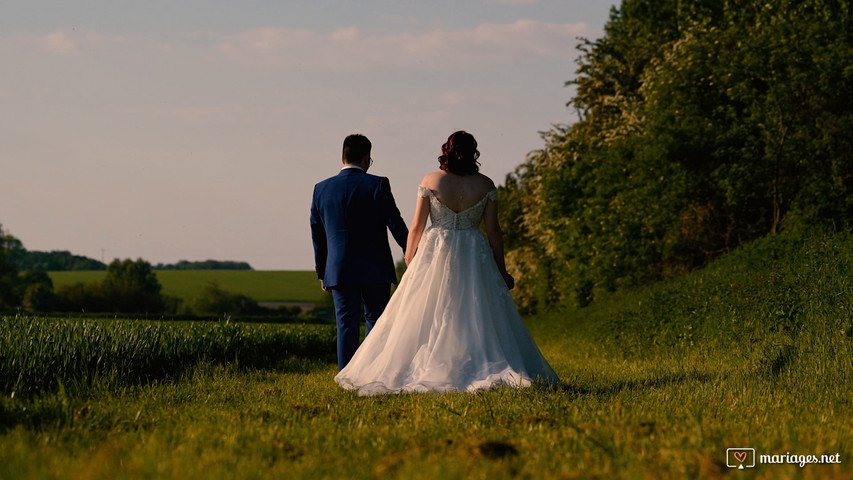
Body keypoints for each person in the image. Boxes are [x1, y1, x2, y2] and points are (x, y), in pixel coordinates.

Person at [335, 131, 559, 395]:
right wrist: (502, 271)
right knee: (473, 311)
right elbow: (494, 233)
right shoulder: (486, 185)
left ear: (447, 151)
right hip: (474, 254)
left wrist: (411, 261)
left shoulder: (431, 180)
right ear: (473, 152)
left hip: (436, 251)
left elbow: (417, 227)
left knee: (428, 311)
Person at [310, 134, 409, 371]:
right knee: (376, 320)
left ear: (342, 156)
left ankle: (346, 374)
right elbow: (395, 223)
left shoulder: (321, 189)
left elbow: (318, 234)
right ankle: (371, 371)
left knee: (346, 324)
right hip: (375, 268)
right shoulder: (378, 184)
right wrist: (413, 252)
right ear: (367, 158)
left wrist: (322, 271)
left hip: (339, 269)